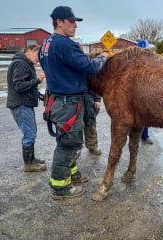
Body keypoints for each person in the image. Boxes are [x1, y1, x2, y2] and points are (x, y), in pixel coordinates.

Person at [38, 6, 109, 200]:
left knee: (71, 141)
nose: (75, 25)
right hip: (68, 102)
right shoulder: (63, 44)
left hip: (59, 100)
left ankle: (72, 174)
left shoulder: (46, 43)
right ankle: (60, 187)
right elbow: (90, 67)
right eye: (71, 21)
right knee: (69, 144)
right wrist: (103, 57)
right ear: (59, 22)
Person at [6, 45, 47, 172]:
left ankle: (31, 159)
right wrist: (38, 80)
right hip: (21, 104)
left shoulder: (24, 63)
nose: (38, 58)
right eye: (37, 55)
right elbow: (19, 86)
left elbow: (26, 86)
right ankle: (29, 164)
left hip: (24, 103)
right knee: (29, 134)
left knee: (31, 132)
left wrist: (40, 96)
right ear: (28, 51)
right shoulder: (20, 64)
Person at [137, 39, 153, 144]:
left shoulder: (150, 61)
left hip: (147, 91)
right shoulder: (134, 61)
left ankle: (145, 136)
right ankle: (135, 135)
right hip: (136, 92)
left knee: (146, 114)